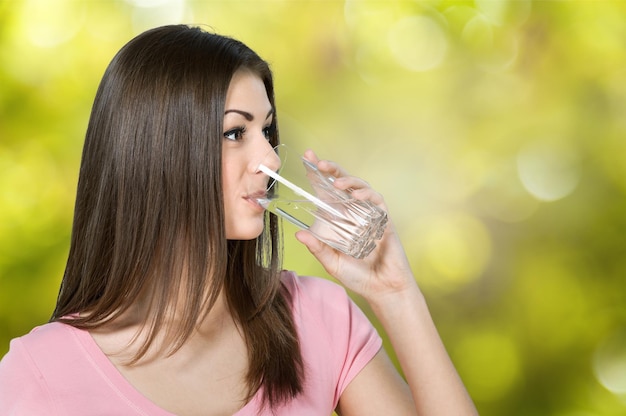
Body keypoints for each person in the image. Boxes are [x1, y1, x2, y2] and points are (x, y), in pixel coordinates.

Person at [0, 24, 478, 416]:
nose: (269, 157)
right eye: (235, 132)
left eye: (266, 129)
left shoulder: (316, 318)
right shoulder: (41, 370)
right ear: (157, 151)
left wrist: (397, 295)